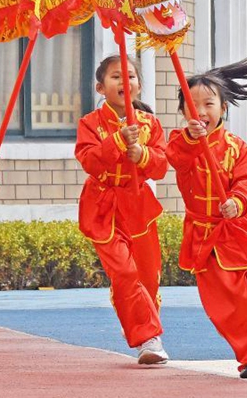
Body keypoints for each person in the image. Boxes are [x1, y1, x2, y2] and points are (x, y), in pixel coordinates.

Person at [165, 57, 247, 379]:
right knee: (231, 306)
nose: (201, 112)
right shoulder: (180, 144)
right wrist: (194, 141)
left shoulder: (238, 148)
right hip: (206, 239)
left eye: (208, 103)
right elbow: (177, 159)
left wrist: (238, 202)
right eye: (193, 105)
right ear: (183, 112)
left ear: (223, 108)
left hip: (241, 232)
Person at [75, 55, 169, 364]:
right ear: (101, 87)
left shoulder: (150, 124)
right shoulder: (90, 123)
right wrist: (116, 140)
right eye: (116, 77)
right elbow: (88, 160)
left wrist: (141, 154)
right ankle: (148, 338)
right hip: (102, 206)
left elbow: (160, 166)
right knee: (125, 272)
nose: (124, 82)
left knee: (147, 276)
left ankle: (148, 331)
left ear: (139, 85)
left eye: (130, 76)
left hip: (138, 204)